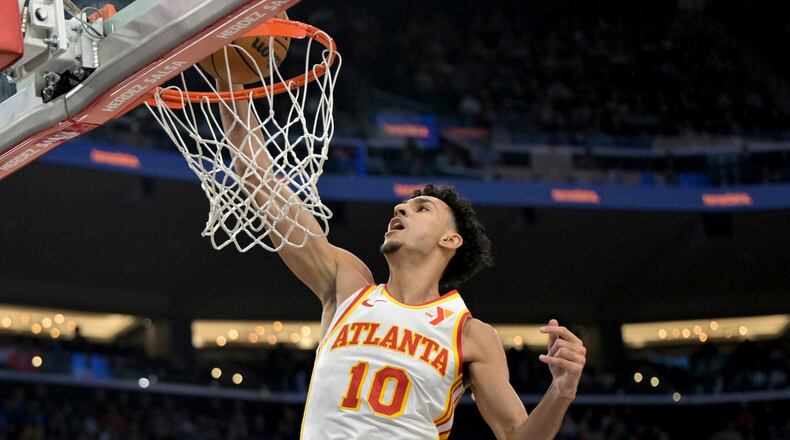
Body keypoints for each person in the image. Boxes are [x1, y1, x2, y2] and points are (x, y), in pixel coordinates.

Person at [218, 85, 587, 440]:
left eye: (421, 208)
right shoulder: (348, 285)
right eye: (404, 205)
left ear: (450, 240)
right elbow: (262, 181)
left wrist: (562, 392)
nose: (400, 208)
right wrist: (230, 81)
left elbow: (515, 434)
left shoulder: (469, 334)